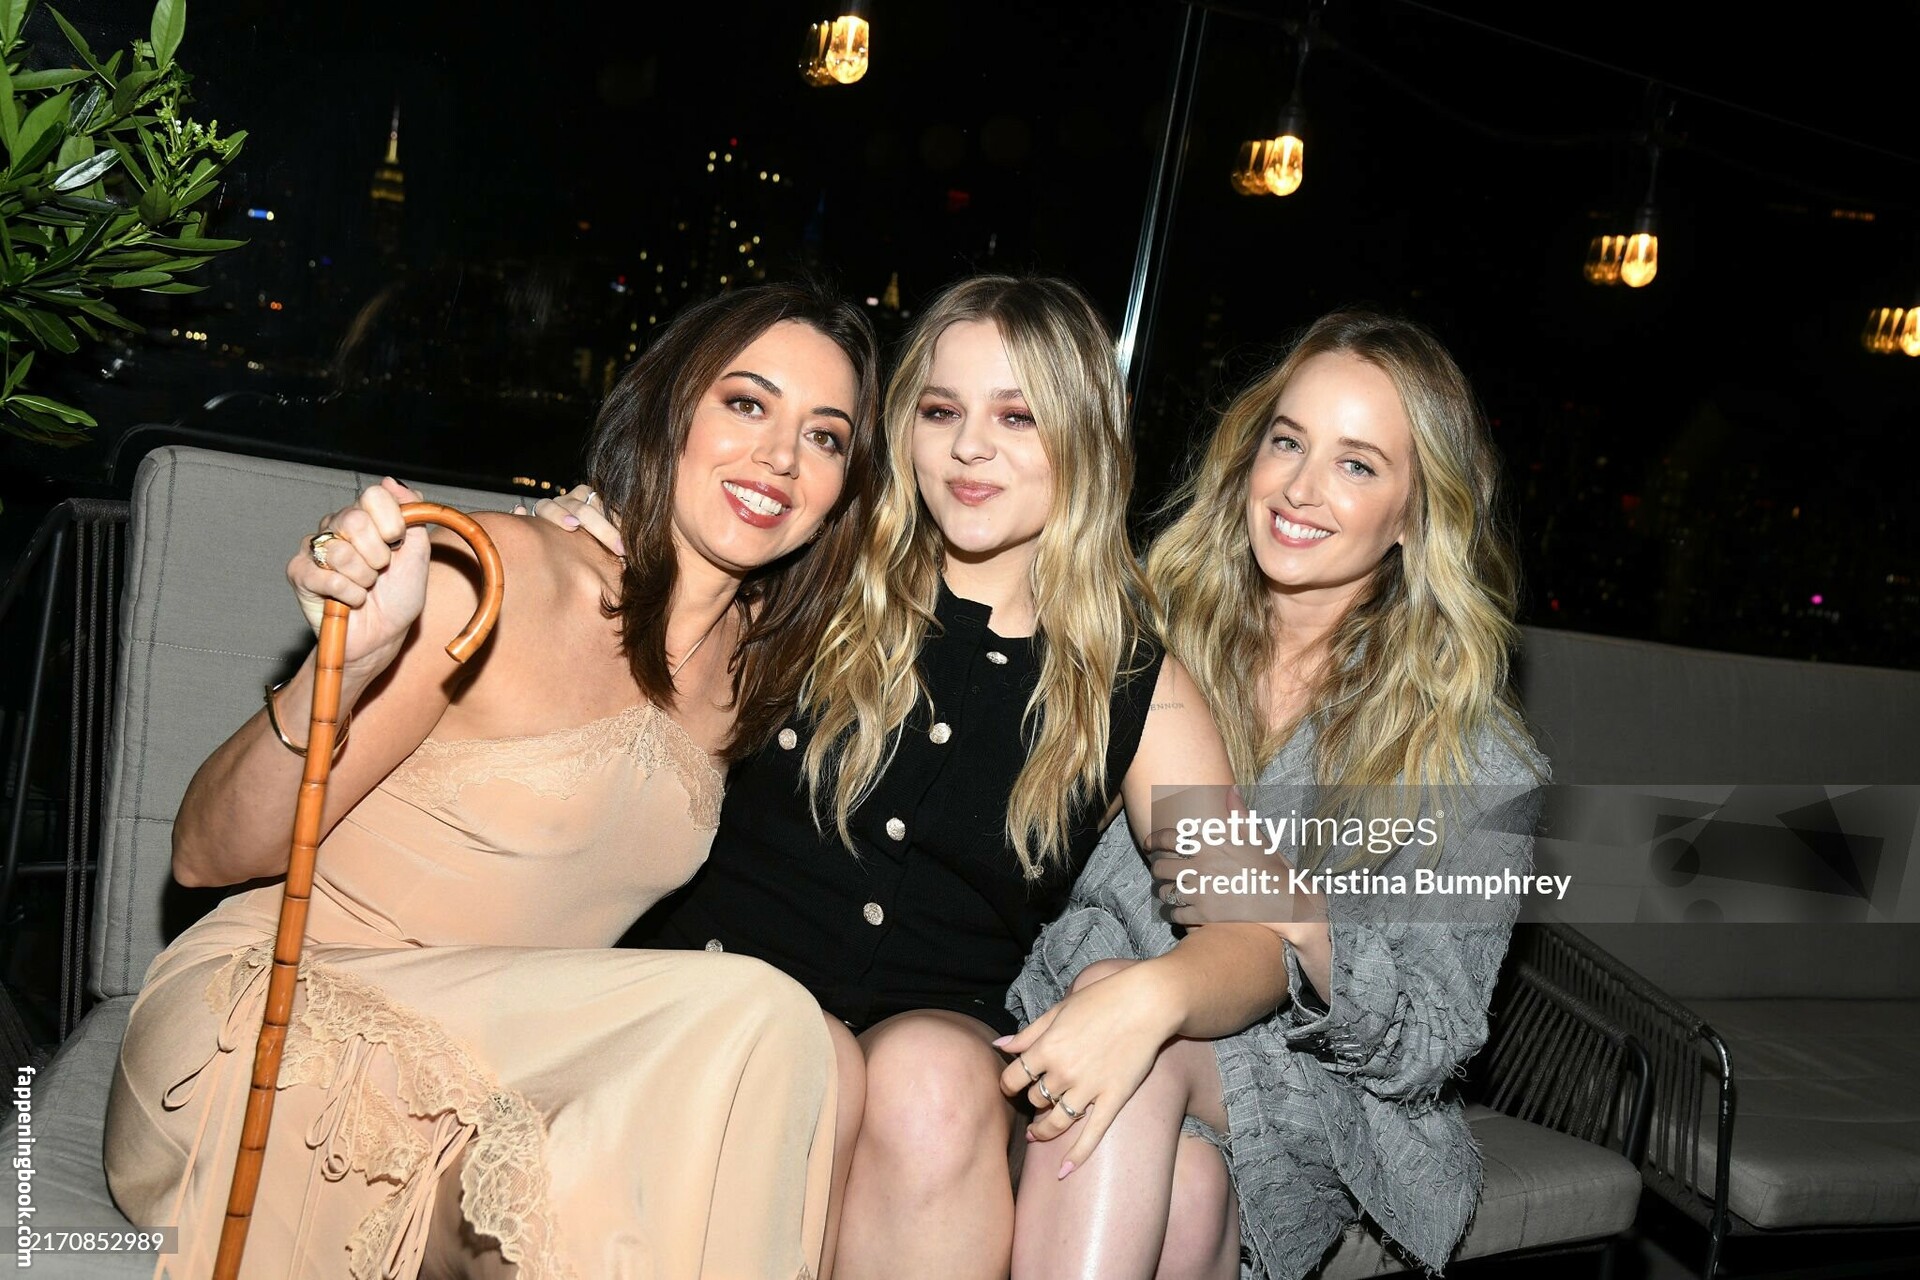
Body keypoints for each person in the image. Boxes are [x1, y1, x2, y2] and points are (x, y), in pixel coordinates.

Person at [103, 281, 883, 1280]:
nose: (780, 456)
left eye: (824, 437)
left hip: (495, 1083)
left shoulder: (754, 670)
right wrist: (341, 669)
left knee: (747, 1096)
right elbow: (206, 853)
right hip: (284, 1028)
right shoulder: (492, 577)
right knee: (762, 1019)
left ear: (843, 488)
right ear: (668, 409)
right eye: (746, 403)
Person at [539, 274, 1290, 1280]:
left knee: (931, 1075)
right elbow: (646, 575)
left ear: (1085, 438)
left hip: (932, 1076)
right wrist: (592, 535)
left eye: (1017, 416)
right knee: (800, 1052)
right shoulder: (811, 577)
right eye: (941, 411)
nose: (970, 447)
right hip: (715, 1007)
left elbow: (1259, 936)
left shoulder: (1131, 684)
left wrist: (1153, 997)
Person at [1004, 308, 1550, 1280]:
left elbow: (1434, 1035)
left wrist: (1302, 918)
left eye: (1357, 464)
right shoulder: (1148, 631)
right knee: (1188, 1189)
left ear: (1415, 514)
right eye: (1288, 442)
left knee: (1131, 1027)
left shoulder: (1479, 755)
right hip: (1080, 1016)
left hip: (1309, 1080)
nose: (1300, 487)